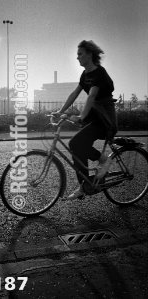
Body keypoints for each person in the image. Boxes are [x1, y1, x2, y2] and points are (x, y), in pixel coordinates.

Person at [53, 40, 117, 200]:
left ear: (89, 54)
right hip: (94, 118)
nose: (77, 58)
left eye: (80, 54)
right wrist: (60, 111)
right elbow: (74, 94)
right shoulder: (85, 74)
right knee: (76, 144)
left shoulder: (99, 73)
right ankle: (85, 185)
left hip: (105, 119)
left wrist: (81, 116)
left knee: (75, 143)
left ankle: (103, 161)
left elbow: (92, 96)